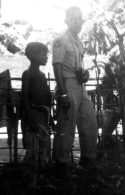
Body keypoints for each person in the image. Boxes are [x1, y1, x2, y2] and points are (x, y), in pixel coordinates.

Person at [52, 6, 98, 177]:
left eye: (80, 18)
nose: (78, 22)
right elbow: (57, 67)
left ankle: (87, 160)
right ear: (66, 20)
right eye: (74, 18)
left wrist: (85, 74)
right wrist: (63, 93)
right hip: (67, 85)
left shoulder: (79, 42)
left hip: (80, 86)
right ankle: (61, 165)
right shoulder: (60, 40)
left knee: (90, 122)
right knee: (67, 126)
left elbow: (78, 67)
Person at [21, 42, 51, 189]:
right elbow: (25, 97)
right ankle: (30, 185)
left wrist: (50, 116)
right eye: (43, 54)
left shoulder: (42, 75)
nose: (46, 57)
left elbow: (46, 98)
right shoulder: (28, 74)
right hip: (33, 115)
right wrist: (31, 119)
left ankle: (37, 183)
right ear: (33, 56)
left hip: (43, 115)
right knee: (32, 151)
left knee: (42, 150)